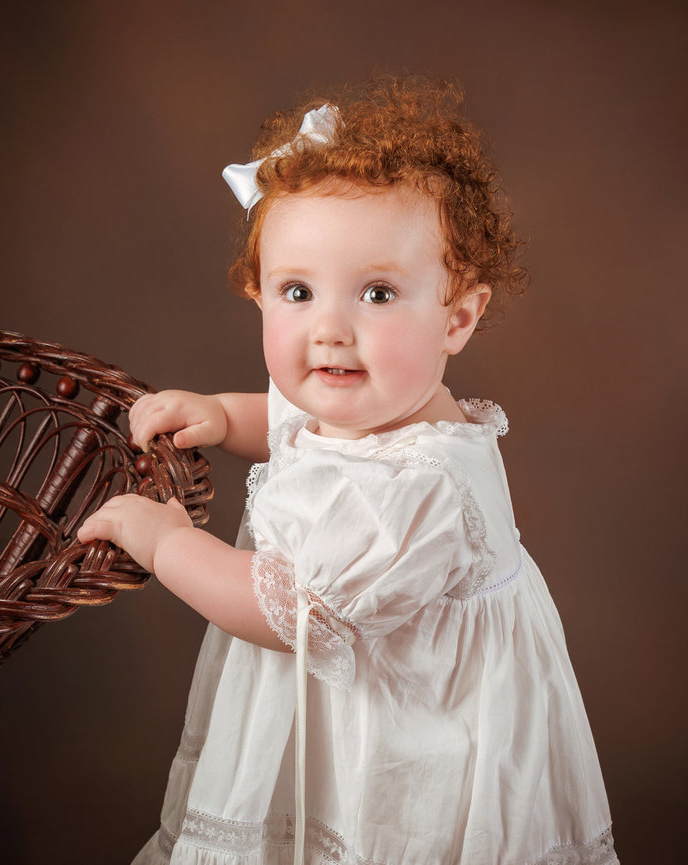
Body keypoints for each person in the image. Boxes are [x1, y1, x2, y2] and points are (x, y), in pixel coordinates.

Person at [79, 76, 619, 865]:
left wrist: (164, 541)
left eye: (377, 293)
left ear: (456, 315)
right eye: (297, 291)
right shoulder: (369, 399)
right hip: (333, 711)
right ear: (259, 293)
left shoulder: (420, 487)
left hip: (404, 740)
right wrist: (228, 416)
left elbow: (287, 610)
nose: (329, 329)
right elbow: (306, 424)